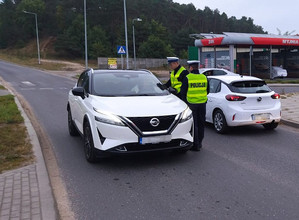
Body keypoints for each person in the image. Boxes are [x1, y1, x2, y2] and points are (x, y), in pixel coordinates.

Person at [180, 60, 209, 151]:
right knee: (201, 124)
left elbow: (183, 93)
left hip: (192, 104)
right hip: (202, 104)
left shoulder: (187, 78)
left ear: (191, 68)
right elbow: (208, 91)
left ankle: (195, 145)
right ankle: (200, 143)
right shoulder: (204, 77)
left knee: (194, 125)